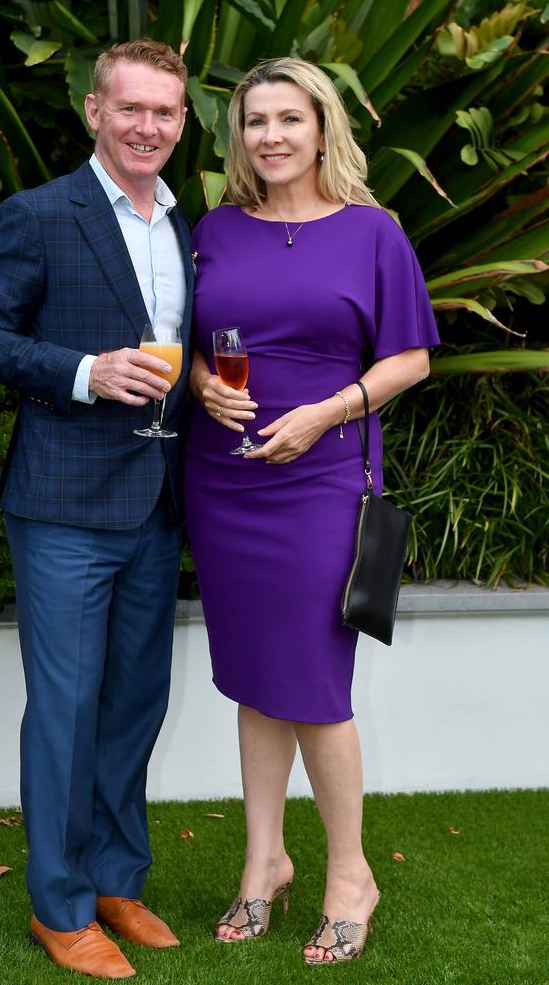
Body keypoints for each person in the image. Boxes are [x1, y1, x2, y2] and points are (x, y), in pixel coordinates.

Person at [185, 57, 440, 966]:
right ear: (239, 137)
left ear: (322, 128)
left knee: (316, 690)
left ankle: (349, 874)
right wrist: (205, 382)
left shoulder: (373, 234)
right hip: (224, 481)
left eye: (289, 118)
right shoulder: (214, 228)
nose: (271, 136)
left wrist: (327, 411)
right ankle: (263, 864)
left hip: (322, 482)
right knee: (255, 677)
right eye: (255, 121)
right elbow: (184, 339)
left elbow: (410, 359)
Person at [0, 39, 193, 980]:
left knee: (136, 702)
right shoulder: (39, 213)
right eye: (130, 109)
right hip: (61, 502)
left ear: (183, 122)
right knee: (64, 706)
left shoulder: (187, 221)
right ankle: (57, 907)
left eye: (165, 113)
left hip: (160, 500)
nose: (147, 127)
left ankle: (114, 879)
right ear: (94, 111)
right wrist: (86, 373)